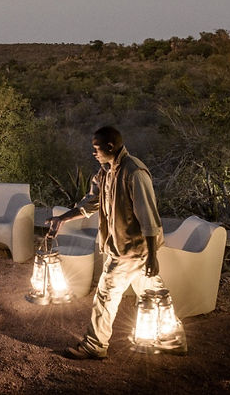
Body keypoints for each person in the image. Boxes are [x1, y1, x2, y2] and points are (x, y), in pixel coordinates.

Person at [46, 125, 165, 360]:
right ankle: (174, 337)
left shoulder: (135, 172)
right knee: (156, 292)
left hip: (130, 249)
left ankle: (94, 345)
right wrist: (63, 218)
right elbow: (92, 203)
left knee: (105, 294)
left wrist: (152, 255)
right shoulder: (105, 173)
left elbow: (148, 217)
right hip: (125, 248)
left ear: (110, 146)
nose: (94, 152)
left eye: (96, 147)